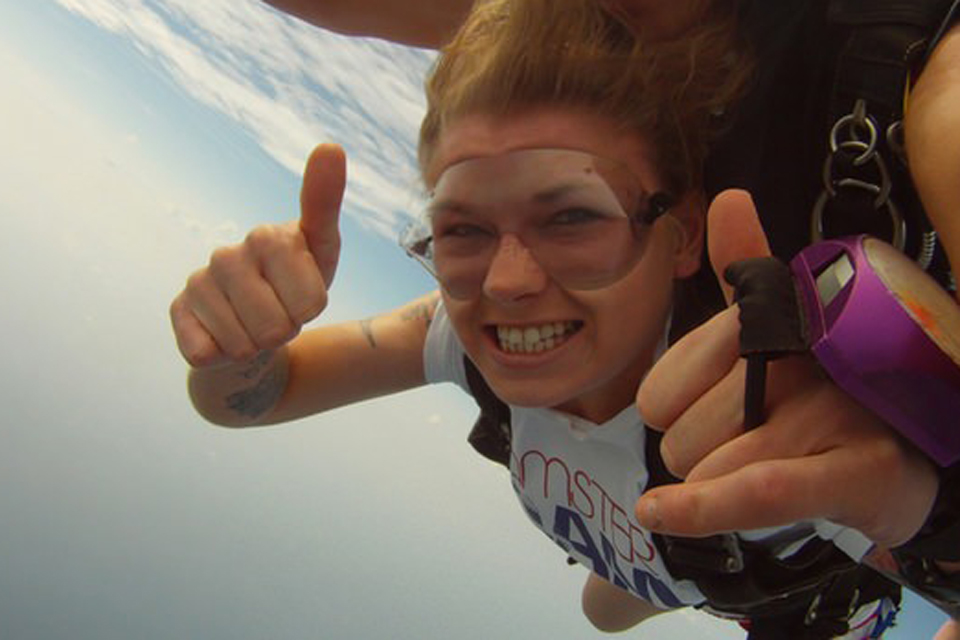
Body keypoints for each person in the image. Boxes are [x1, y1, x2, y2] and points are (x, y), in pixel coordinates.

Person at [171, 0, 907, 635]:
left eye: (573, 217)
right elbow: (252, 398)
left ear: (682, 235)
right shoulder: (460, 331)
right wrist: (239, 342)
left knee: (623, 598)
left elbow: (908, 508)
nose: (508, 282)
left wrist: (917, 515)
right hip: (636, 548)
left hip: (774, 577)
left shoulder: (770, 410)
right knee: (612, 597)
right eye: (461, 231)